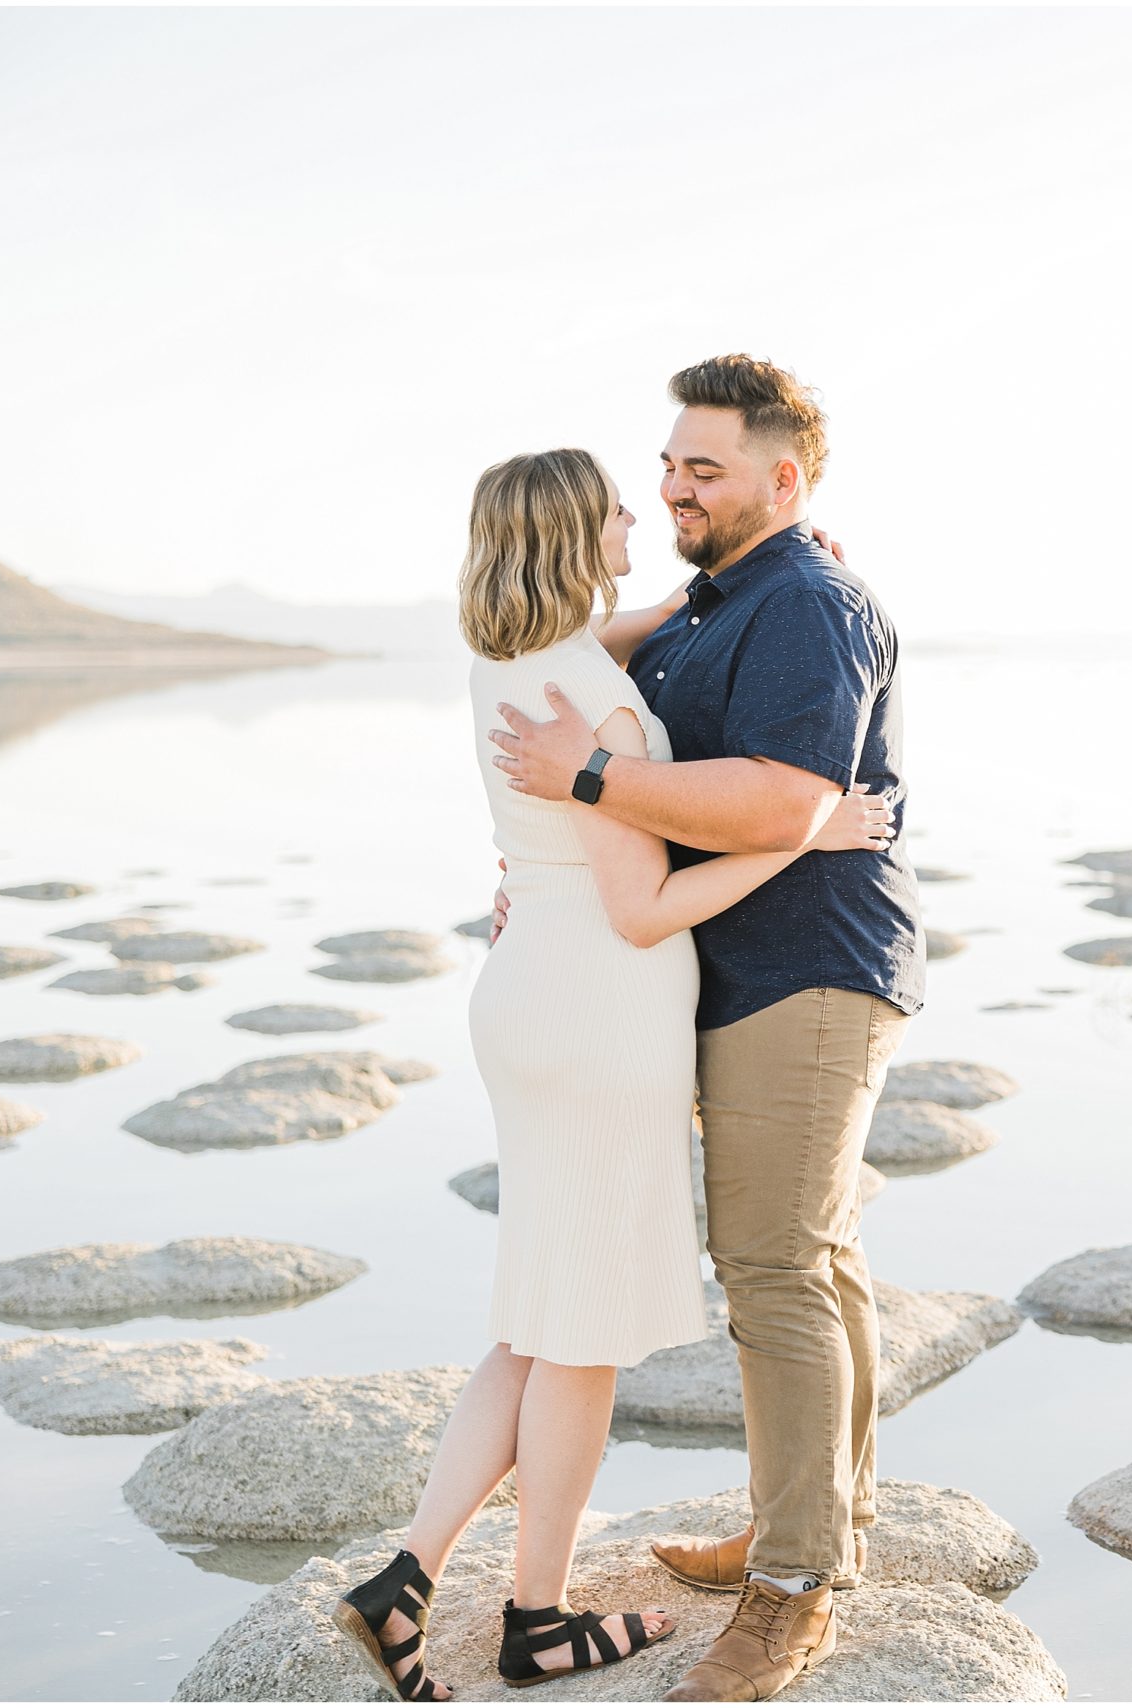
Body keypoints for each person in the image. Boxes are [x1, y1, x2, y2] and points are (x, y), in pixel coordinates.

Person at [326, 445, 893, 1702]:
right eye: (620, 505)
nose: (644, 512)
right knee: (578, 1339)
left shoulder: (511, 660)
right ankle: (538, 1618)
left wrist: (710, 602)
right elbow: (643, 908)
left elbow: (627, 632)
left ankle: (407, 1577)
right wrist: (811, 829)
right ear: (581, 533)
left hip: (528, 1001)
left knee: (532, 1320)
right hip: (599, 1009)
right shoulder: (599, 707)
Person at [486, 353, 925, 1702]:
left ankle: (795, 1592)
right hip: (743, 970)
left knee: (776, 1270)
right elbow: (574, 652)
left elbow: (785, 797)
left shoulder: (808, 601)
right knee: (818, 1263)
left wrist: (595, 777)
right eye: (668, 463)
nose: (673, 483)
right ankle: (814, 1526)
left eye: (705, 468)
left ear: (783, 480)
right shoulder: (726, 600)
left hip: (808, 969)